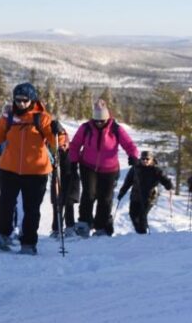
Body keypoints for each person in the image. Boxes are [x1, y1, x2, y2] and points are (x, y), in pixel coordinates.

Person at [0, 83, 56, 255]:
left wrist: (59, 135)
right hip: (9, 169)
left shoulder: (43, 118)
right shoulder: (8, 117)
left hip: (36, 172)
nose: (21, 104)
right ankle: (4, 235)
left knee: (31, 209)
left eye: (25, 100)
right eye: (18, 100)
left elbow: (56, 142)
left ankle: (28, 243)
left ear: (32, 100)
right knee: (5, 204)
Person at [68, 99, 139, 237]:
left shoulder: (115, 129)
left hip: (109, 169)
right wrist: (73, 160)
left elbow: (130, 144)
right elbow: (75, 145)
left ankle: (101, 226)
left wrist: (133, 156)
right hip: (88, 166)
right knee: (89, 194)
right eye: (96, 120)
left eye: (102, 121)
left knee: (105, 198)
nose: (99, 123)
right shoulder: (86, 128)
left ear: (107, 118)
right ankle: (84, 223)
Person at [117, 150, 173, 234]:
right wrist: (122, 192)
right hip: (135, 196)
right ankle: (141, 232)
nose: (145, 161)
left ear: (152, 160)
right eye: (143, 159)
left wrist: (168, 184)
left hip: (149, 197)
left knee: (142, 216)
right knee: (133, 215)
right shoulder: (135, 168)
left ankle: (143, 234)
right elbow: (128, 182)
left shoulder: (156, 170)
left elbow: (164, 179)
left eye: (147, 159)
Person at [49, 121, 80, 237]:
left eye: (64, 144)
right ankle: (56, 228)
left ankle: (70, 227)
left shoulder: (71, 150)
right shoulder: (52, 149)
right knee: (57, 203)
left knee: (69, 203)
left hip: (71, 180)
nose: (63, 146)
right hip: (57, 179)